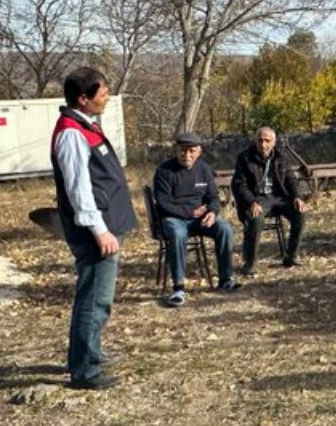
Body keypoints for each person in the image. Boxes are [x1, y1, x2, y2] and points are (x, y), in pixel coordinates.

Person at [51, 67, 137, 390]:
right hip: (95, 231)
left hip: (106, 226)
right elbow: (79, 190)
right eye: (102, 92)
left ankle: (89, 353)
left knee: (97, 297)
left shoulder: (86, 126)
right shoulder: (72, 133)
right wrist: (99, 230)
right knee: (94, 299)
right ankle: (85, 370)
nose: (107, 96)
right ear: (83, 98)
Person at [154, 133, 241, 307]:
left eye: (191, 151)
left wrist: (213, 212)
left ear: (199, 151)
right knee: (178, 233)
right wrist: (189, 213)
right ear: (176, 150)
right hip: (174, 218)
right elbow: (163, 203)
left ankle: (225, 279)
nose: (187, 155)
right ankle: (178, 287)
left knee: (224, 228)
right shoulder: (164, 171)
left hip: (201, 219)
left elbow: (214, 197)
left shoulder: (204, 169)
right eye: (182, 150)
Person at [232, 126, 308, 273]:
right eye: (260, 140)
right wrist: (251, 202)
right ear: (255, 141)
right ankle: (250, 263)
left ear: (274, 142)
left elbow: (291, 180)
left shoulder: (281, 158)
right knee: (256, 218)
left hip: (278, 197)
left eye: (267, 141)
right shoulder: (244, 158)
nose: (263, 144)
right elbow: (239, 185)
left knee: (300, 214)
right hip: (256, 198)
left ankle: (291, 256)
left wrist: (297, 197)